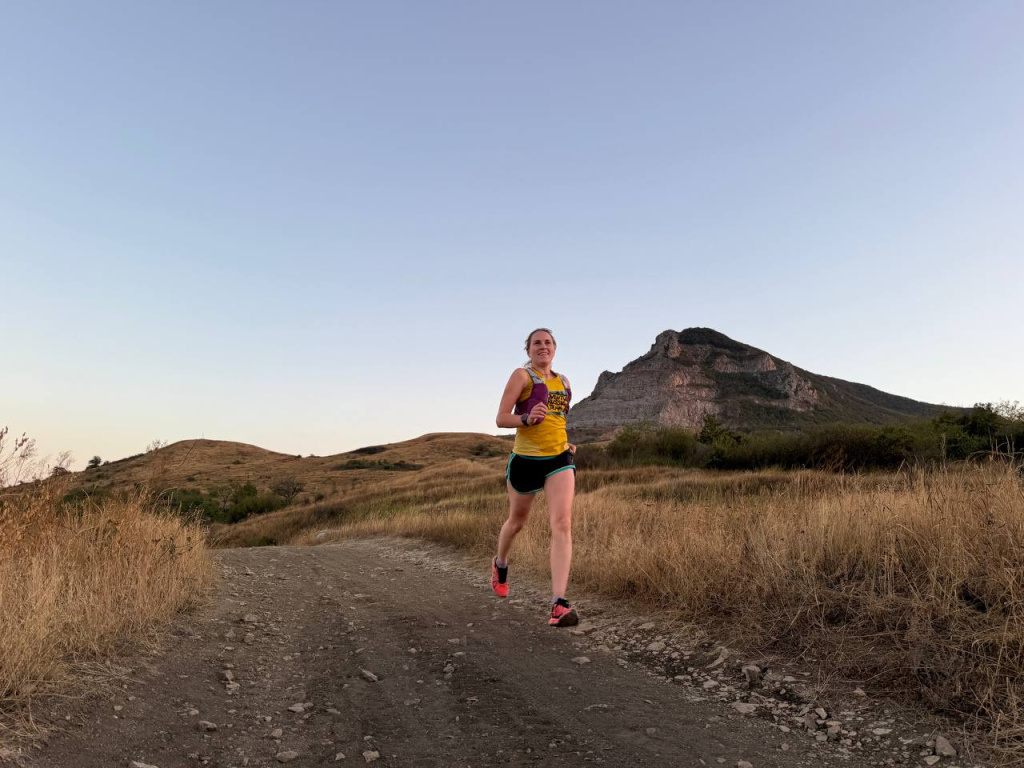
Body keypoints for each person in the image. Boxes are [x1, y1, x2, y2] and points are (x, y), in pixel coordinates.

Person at [492, 328, 579, 627]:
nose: (543, 347)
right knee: (517, 523)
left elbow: (557, 419)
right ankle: (500, 564)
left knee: (562, 523)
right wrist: (526, 418)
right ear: (528, 350)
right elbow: (502, 418)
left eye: (548, 342)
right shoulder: (522, 376)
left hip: (558, 459)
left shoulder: (564, 382)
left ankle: (558, 604)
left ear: (555, 348)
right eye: (536, 343)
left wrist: (565, 443)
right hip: (526, 460)